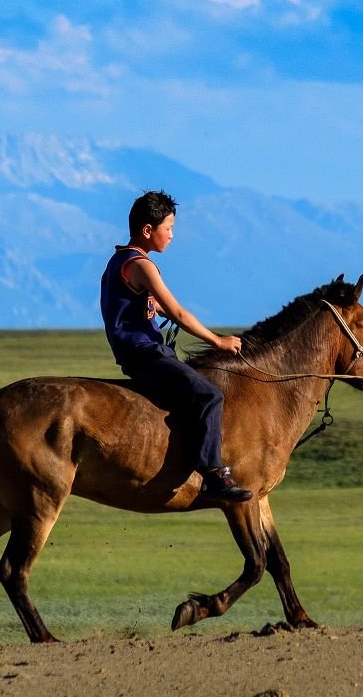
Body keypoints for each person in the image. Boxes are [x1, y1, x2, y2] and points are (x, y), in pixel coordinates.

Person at [99, 190, 253, 503]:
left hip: (141, 353)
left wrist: (152, 310)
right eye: (167, 228)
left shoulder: (119, 261)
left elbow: (160, 308)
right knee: (210, 395)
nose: (171, 235)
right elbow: (179, 313)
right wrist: (217, 341)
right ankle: (213, 474)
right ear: (147, 230)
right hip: (145, 354)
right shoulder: (141, 265)